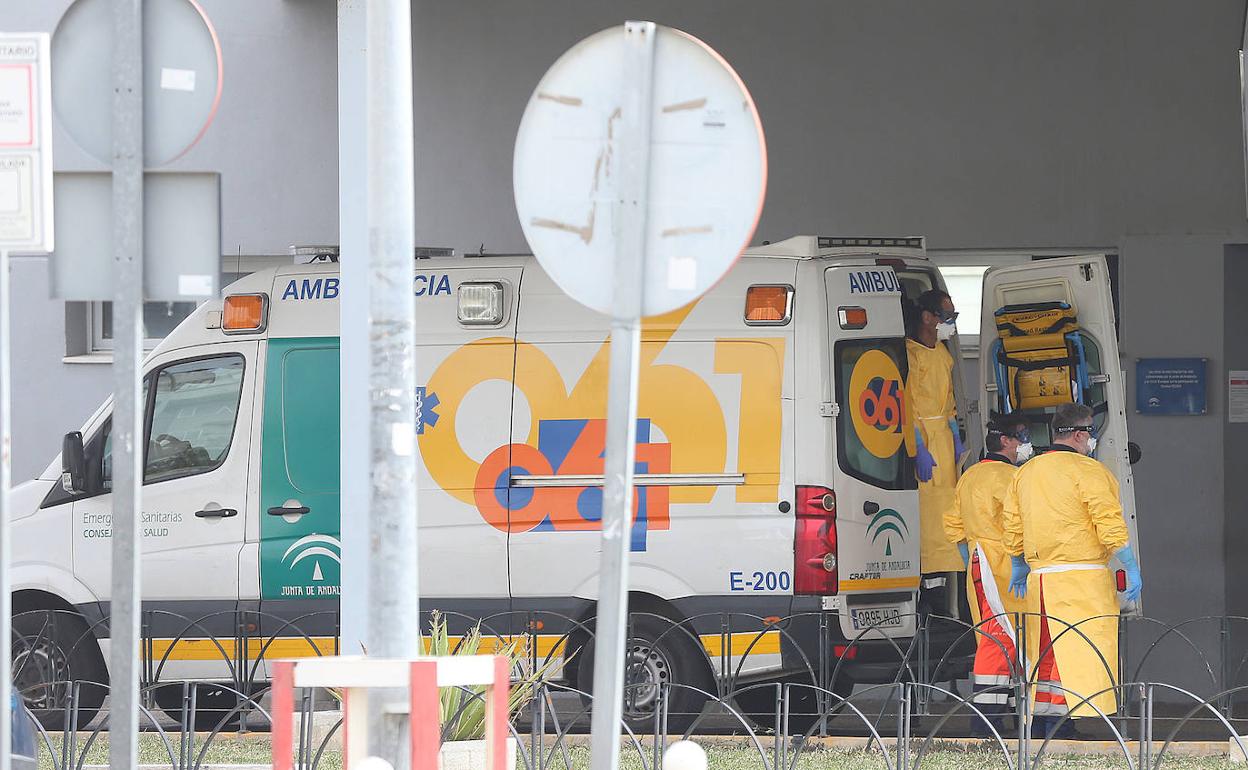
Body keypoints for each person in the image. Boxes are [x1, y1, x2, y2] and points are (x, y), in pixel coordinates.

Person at [1002, 402, 1142, 738]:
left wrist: (1018, 562)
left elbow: (1013, 521)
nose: (1091, 439)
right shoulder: (1090, 472)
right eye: (1091, 432)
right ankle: (1062, 725)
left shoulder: (1026, 472)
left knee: (1045, 654)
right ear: (1080, 434)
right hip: (1083, 581)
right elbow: (1107, 521)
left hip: (1040, 581)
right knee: (1080, 654)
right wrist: (1130, 564)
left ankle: (1043, 723)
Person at [944, 411, 1034, 737]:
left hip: (979, 567)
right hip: (1004, 565)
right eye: (1023, 436)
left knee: (998, 636)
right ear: (1006, 441)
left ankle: (1000, 716)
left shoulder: (970, 476)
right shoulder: (1009, 478)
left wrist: (969, 554)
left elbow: (953, 523)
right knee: (1004, 637)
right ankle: (987, 722)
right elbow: (1018, 522)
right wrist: (1021, 559)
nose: (1027, 443)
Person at [904, 289, 967, 583]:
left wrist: (954, 436)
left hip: (942, 437)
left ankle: (946, 576)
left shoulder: (942, 354)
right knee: (929, 514)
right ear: (927, 317)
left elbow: (949, 401)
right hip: (925, 440)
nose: (950, 323)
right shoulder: (911, 355)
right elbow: (908, 405)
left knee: (950, 509)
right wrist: (918, 446)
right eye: (946, 317)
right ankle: (929, 580)